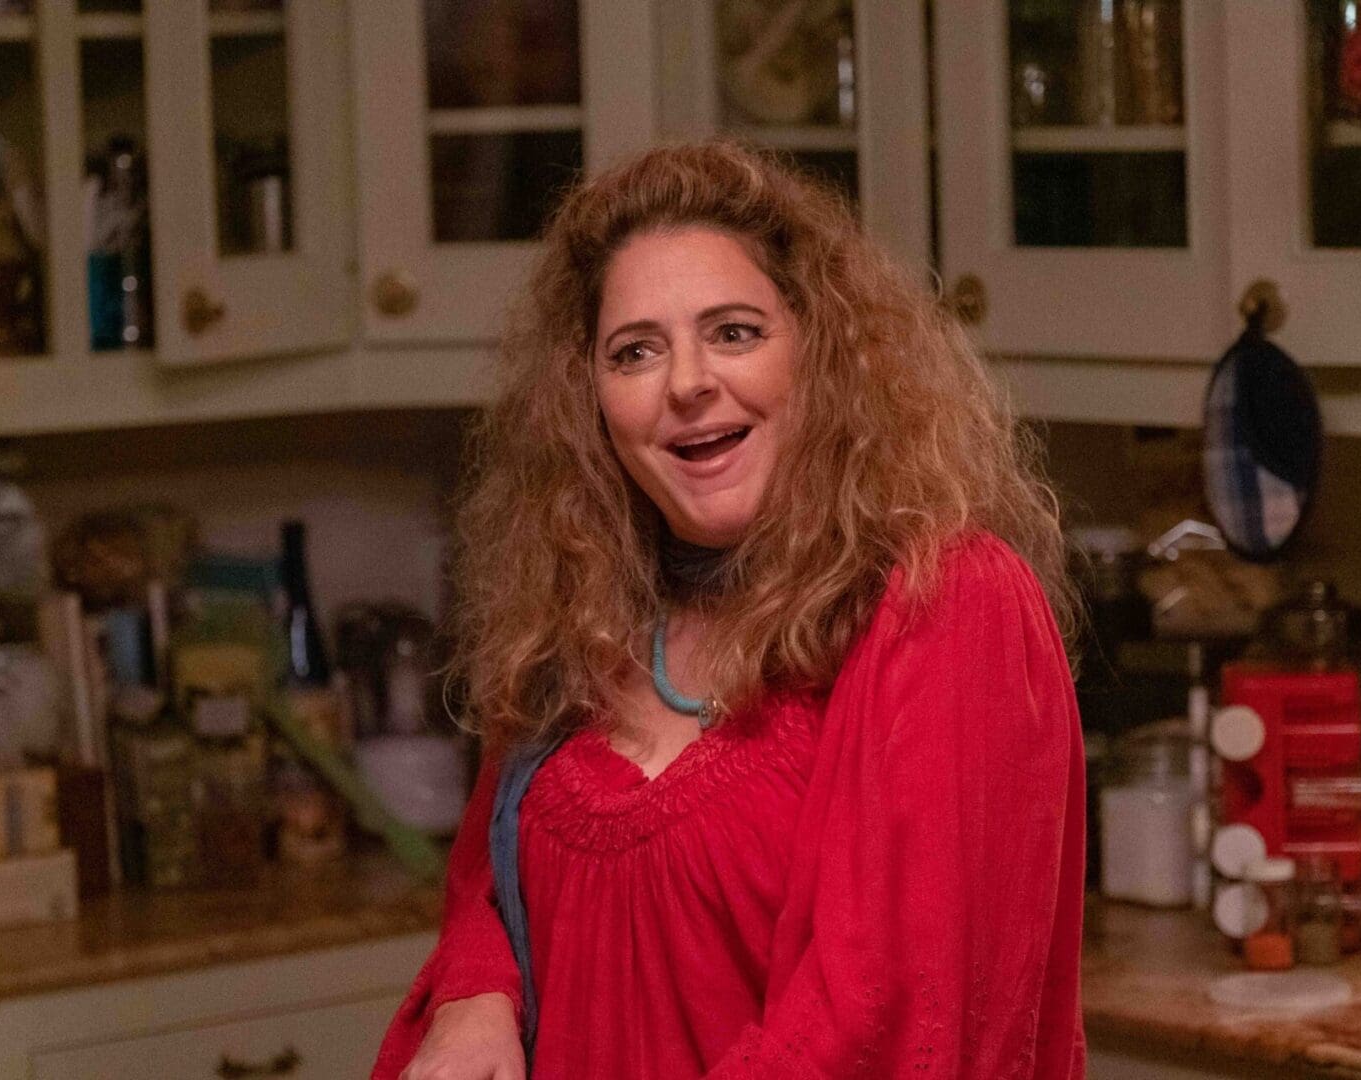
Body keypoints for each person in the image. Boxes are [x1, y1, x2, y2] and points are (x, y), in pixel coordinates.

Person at [372, 140, 1086, 1080]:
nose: (688, 382)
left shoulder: (947, 601)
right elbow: (485, 884)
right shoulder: (579, 607)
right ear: (589, 399)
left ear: (822, 353)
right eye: (636, 351)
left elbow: (885, 1015)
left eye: (736, 332)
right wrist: (474, 997)